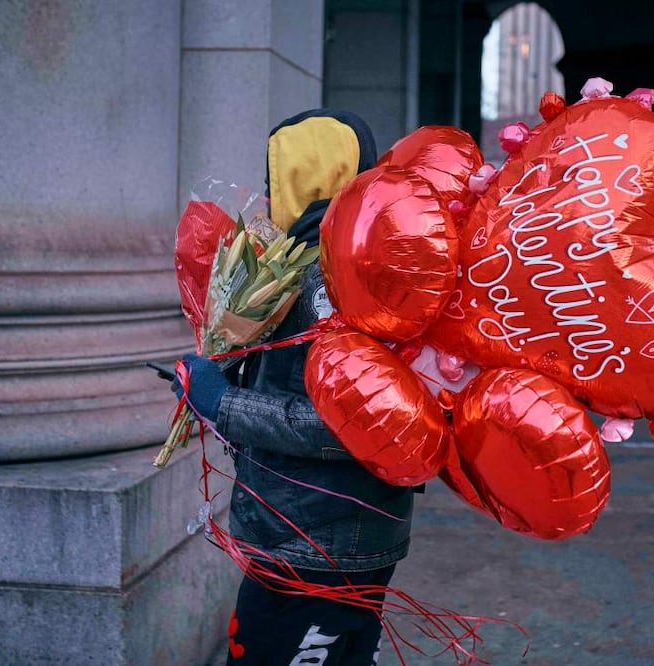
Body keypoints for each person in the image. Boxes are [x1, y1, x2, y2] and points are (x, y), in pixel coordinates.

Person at [174, 110, 415, 665]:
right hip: (323, 533)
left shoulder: (336, 282)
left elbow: (351, 425)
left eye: (271, 178)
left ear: (300, 179)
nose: (263, 193)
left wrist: (221, 401)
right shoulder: (339, 263)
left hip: (315, 543)